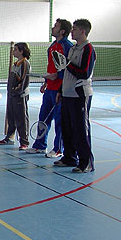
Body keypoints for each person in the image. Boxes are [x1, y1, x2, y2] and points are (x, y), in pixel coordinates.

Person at [26, 19, 73, 158]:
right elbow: (51, 66)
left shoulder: (67, 47)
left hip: (61, 89)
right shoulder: (52, 46)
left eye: (56, 26)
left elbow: (68, 68)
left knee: (60, 121)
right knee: (43, 118)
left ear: (62, 31)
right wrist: (46, 82)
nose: (53, 28)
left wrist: (57, 77)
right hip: (49, 89)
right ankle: (40, 146)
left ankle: (58, 149)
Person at [54, 19, 96, 173]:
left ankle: (86, 162)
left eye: (75, 29)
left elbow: (84, 73)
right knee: (67, 129)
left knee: (80, 130)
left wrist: (68, 64)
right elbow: (66, 73)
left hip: (80, 95)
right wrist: (60, 90)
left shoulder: (88, 49)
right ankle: (69, 157)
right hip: (67, 94)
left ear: (83, 32)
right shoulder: (73, 49)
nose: (72, 31)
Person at [0, 42, 31, 150]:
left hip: (19, 96)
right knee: (11, 117)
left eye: (15, 50)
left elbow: (24, 82)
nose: (13, 52)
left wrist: (16, 91)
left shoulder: (25, 63)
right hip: (11, 95)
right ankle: (10, 137)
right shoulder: (16, 64)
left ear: (21, 51)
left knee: (21, 119)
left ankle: (24, 142)